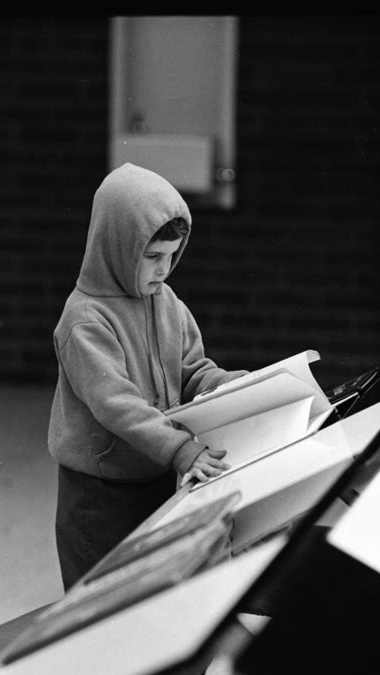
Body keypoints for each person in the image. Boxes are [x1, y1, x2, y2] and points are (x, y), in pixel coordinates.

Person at [48, 162, 248, 591]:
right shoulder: (85, 320)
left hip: (157, 480)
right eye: (152, 257)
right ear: (116, 248)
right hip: (98, 498)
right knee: (101, 616)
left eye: (172, 256)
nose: (164, 269)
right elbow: (116, 404)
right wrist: (180, 449)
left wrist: (240, 388)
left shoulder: (167, 302)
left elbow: (194, 371)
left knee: (155, 604)